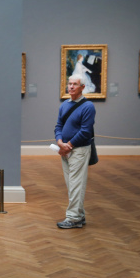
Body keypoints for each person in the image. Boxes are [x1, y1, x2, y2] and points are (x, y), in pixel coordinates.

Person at [54, 74, 96, 229]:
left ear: (83, 87)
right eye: (69, 83)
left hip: (79, 150)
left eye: (75, 84)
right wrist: (59, 142)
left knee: (76, 184)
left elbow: (85, 131)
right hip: (64, 150)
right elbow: (58, 126)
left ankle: (73, 218)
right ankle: (80, 215)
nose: (71, 87)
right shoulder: (64, 105)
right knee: (72, 185)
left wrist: (68, 145)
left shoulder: (88, 107)